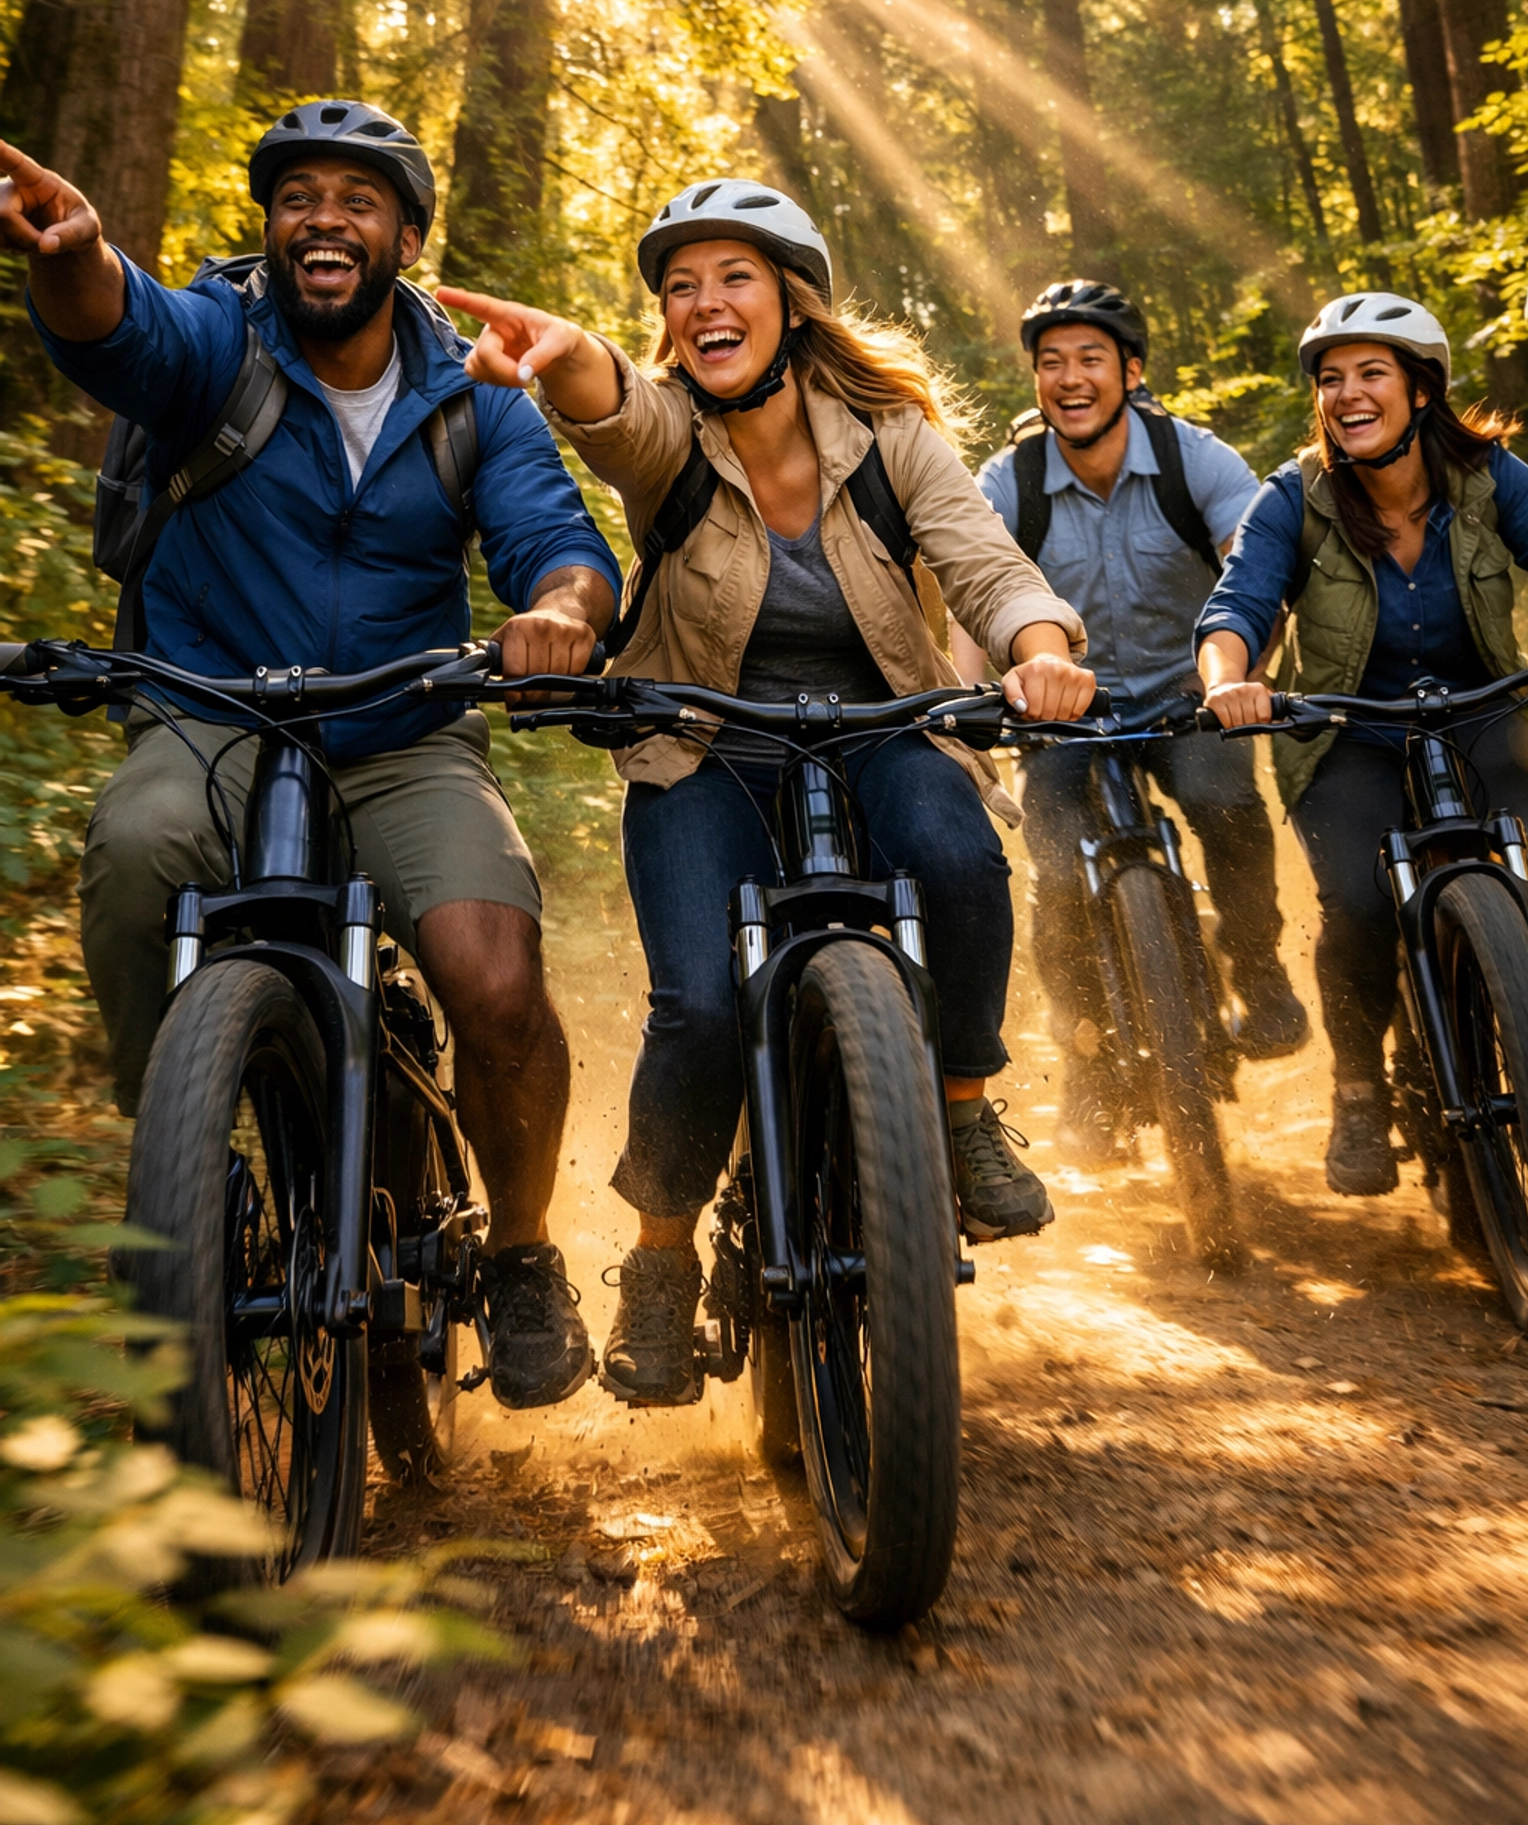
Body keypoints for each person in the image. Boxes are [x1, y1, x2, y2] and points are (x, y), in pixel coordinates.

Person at [0, 104, 623, 1409]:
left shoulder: (473, 395)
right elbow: (116, 325)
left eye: (357, 199)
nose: (323, 220)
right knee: (136, 847)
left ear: (406, 237)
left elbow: (558, 544)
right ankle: (176, 1156)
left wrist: (561, 614)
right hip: (215, 714)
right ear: (273, 226)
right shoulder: (218, 342)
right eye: (298, 197)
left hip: (404, 731)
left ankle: (521, 1257)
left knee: (495, 977)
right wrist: (72, 253)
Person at [438, 178, 1097, 1406]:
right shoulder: (673, 436)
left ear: (792, 301)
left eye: (732, 278)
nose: (703, 305)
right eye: (680, 288)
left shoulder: (892, 437)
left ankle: (961, 1113)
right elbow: (610, 409)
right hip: (704, 746)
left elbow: (987, 563)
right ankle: (659, 1260)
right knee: (697, 1008)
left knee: (960, 858)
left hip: (880, 728)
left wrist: (1041, 649)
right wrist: (563, 352)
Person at [950, 278, 1306, 1163]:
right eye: (1051, 362)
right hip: (1059, 717)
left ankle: (1257, 966)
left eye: (1091, 359)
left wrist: (1241, 679)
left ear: (1132, 372)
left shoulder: (1195, 460)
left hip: (1188, 699)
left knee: (1228, 807)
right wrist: (962, 706)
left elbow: (1259, 573)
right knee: (1059, 888)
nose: (1070, 378)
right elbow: (967, 598)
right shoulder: (1009, 482)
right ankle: (1087, 1065)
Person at [1197, 291, 1528, 1195]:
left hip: (1482, 714)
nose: (1347, 393)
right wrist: (1228, 681)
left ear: (1421, 390)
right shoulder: (1295, 495)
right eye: (1331, 378)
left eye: (1371, 373)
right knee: (1358, 901)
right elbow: (1238, 605)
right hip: (1348, 733)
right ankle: (1358, 1089)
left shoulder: (1490, 479)